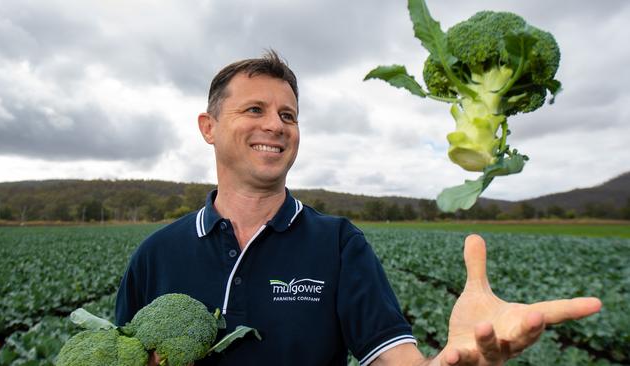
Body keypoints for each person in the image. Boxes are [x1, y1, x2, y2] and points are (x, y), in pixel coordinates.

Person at [115, 51, 602, 366]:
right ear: (208, 126)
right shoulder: (156, 255)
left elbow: (394, 358)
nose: (277, 126)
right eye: (254, 110)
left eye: (289, 115)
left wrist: (453, 359)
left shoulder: (337, 242)